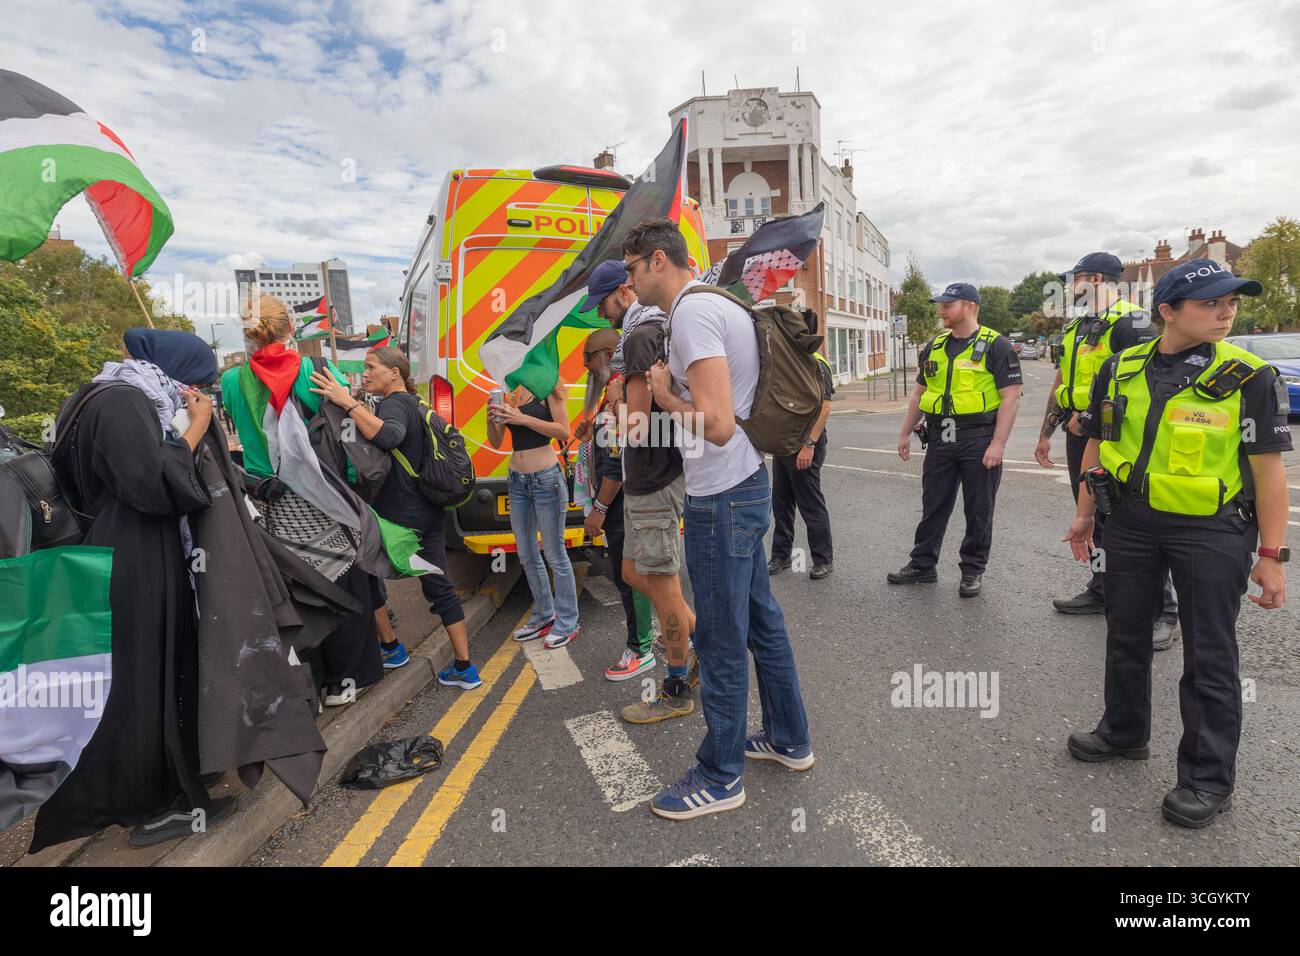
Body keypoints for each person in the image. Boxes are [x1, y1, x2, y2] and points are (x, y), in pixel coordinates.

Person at [1063, 260, 1291, 828]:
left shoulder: (1249, 375)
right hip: (1131, 524)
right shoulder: (1120, 367)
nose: (1226, 311)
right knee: (1126, 632)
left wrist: (1271, 557)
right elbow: (1098, 442)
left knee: (1210, 656)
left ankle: (1207, 780)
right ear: (1167, 311)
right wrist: (1084, 515)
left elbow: (1269, 474)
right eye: (1211, 302)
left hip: (1210, 531)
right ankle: (1123, 732)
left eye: (1232, 301)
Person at [627, 218, 813, 820]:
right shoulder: (717, 304)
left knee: (723, 637)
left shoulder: (691, 315)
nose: (628, 284)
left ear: (658, 260)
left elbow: (717, 422)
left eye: (631, 270)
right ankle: (789, 739)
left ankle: (720, 774)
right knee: (761, 622)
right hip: (743, 484)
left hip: (723, 494)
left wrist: (664, 399)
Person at [33, 328, 237, 852]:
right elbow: (155, 483)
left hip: (114, 551)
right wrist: (195, 427)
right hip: (134, 557)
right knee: (147, 679)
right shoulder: (125, 401)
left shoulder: (102, 392)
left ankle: (177, 775)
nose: (200, 394)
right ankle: (155, 806)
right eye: (198, 382)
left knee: (145, 676)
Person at [220, 296, 383, 707]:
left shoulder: (230, 381)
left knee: (301, 587)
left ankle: (316, 679)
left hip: (273, 501)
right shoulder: (313, 371)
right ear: (290, 327)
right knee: (346, 579)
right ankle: (346, 679)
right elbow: (346, 421)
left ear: (249, 333)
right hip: (321, 493)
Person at [309, 347, 478, 689]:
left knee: (365, 573)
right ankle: (465, 667)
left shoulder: (394, 404)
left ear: (395, 373)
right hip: (429, 511)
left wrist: (347, 402)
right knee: (439, 585)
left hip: (398, 519)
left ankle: (391, 647)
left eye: (371, 367)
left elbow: (389, 436)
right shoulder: (418, 403)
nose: (367, 373)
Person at [1035, 252, 1180, 650]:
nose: (1068, 287)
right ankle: (1101, 589)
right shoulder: (1077, 327)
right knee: (1093, 518)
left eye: (1075, 279)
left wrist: (1098, 419)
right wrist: (1046, 432)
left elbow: (1152, 383)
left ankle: (1163, 612)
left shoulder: (1131, 321)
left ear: (1097, 279)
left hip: (1117, 437)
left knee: (1135, 522)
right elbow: (1062, 379)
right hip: (1078, 434)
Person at [585, 264, 699, 719]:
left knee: (663, 582)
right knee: (634, 572)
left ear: (623, 290)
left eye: (603, 303)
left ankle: (676, 687)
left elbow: (637, 424)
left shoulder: (638, 337)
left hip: (653, 477)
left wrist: (614, 410)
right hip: (649, 477)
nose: (602, 313)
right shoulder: (656, 329)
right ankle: (701, 642)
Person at [889, 283, 1022, 597]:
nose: (941, 311)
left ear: (970, 306)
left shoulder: (997, 345)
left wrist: (998, 444)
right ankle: (923, 565)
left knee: (978, 510)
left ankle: (972, 570)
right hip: (939, 440)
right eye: (941, 304)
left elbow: (1011, 399)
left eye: (948, 305)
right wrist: (906, 431)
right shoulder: (934, 346)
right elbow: (920, 393)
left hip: (978, 439)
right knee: (932, 505)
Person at [575, 328, 657, 681]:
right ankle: (670, 641)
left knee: (632, 578)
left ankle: (642, 649)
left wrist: (600, 509)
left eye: (589, 361)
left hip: (623, 506)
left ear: (607, 356)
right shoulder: (614, 397)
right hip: (626, 505)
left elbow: (616, 461)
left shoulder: (618, 395)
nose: (587, 369)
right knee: (636, 576)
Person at [486, 378, 580, 648]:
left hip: (546, 479)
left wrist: (522, 418)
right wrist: (491, 416)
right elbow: (496, 440)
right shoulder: (508, 390)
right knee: (526, 553)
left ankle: (568, 621)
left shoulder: (547, 385)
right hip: (517, 479)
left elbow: (563, 431)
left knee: (554, 552)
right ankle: (543, 615)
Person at [769, 308, 835, 580]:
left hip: (805, 443)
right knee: (781, 503)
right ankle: (781, 556)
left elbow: (826, 406)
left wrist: (809, 444)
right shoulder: (791, 359)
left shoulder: (815, 362)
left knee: (810, 503)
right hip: (784, 443)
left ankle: (822, 559)